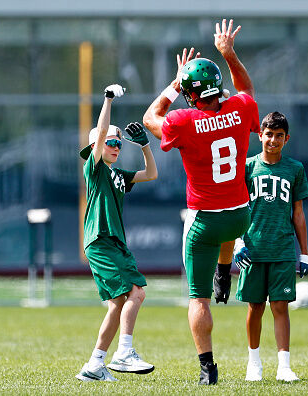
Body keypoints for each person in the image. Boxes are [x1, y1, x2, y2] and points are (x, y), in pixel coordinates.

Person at [143, 19, 259, 385]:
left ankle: (208, 368)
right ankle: (225, 271)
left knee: (198, 299)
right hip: (241, 214)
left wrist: (176, 83)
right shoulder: (240, 108)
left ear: (192, 95)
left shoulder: (184, 120)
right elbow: (247, 89)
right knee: (229, 231)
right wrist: (229, 53)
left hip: (204, 219)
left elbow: (150, 118)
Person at [75, 84, 158, 382]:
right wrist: (107, 100)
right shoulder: (94, 167)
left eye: (120, 144)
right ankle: (124, 352)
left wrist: (145, 145)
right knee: (136, 292)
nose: (116, 147)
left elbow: (151, 174)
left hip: (114, 242)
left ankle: (95, 365)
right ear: (98, 144)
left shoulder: (118, 174)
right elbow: (98, 135)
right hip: (102, 239)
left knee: (118, 303)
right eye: (112, 142)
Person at [233, 111, 308, 382]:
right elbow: (235, 208)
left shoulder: (295, 168)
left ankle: (284, 366)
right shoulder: (246, 167)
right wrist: (237, 242)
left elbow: (298, 214)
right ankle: (253, 363)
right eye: (269, 134)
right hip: (252, 249)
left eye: (279, 136)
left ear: (286, 138)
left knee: (280, 306)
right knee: (255, 307)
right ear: (260, 135)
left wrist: (304, 253)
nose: (273, 140)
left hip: (281, 249)